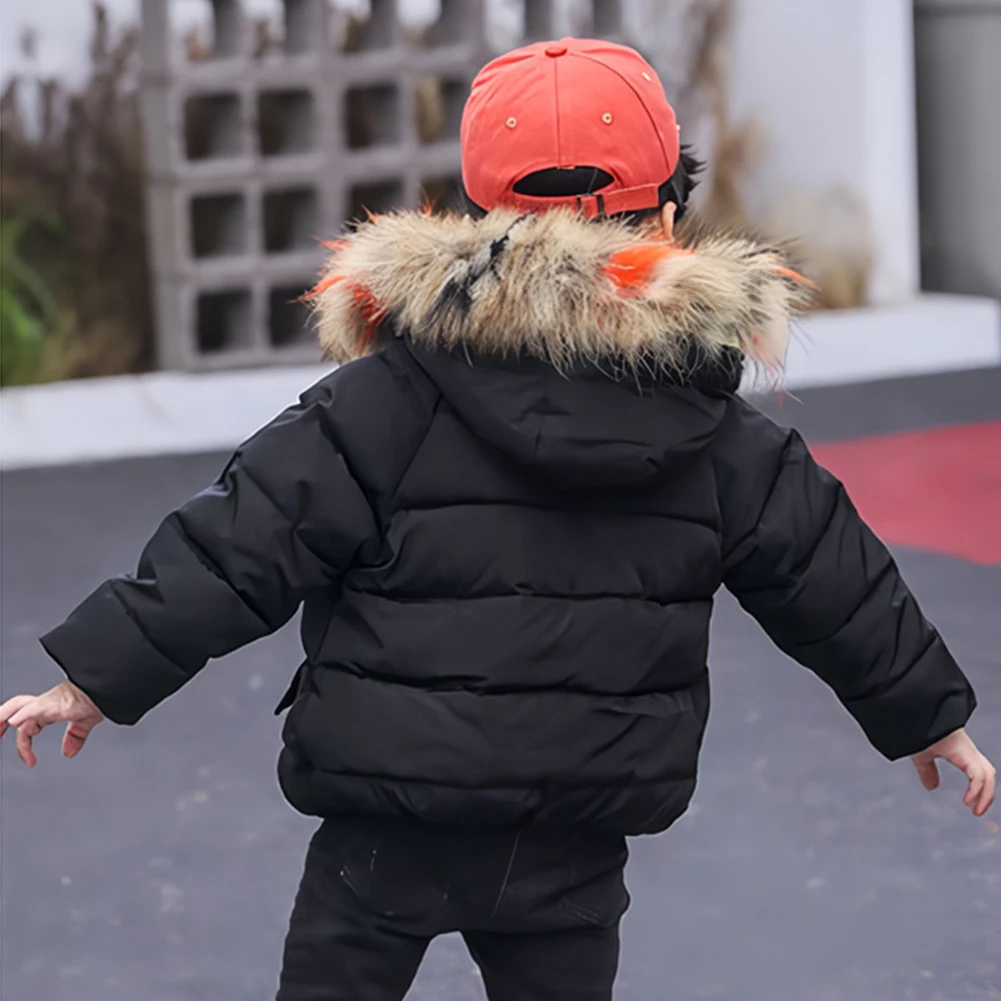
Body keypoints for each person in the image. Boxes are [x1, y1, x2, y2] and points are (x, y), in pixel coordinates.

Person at [1, 37, 994, 1001]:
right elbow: (829, 573)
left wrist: (94, 674)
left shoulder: (386, 398)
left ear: (478, 211)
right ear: (664, 211)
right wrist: (924, 713)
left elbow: (239, 540)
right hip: (572, 826)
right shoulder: (714, 431)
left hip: (384, 818)